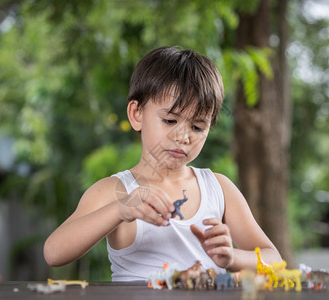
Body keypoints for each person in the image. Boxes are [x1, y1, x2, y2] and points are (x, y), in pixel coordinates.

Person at [44, 46, 282, 281]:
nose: (183, 137)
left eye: (198, 127)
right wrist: (120, 209)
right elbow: (54, 253)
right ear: (137, 114)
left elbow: (276, 261)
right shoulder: (114, 191)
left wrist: (233, 258)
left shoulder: (218, 188)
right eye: (170, 120)